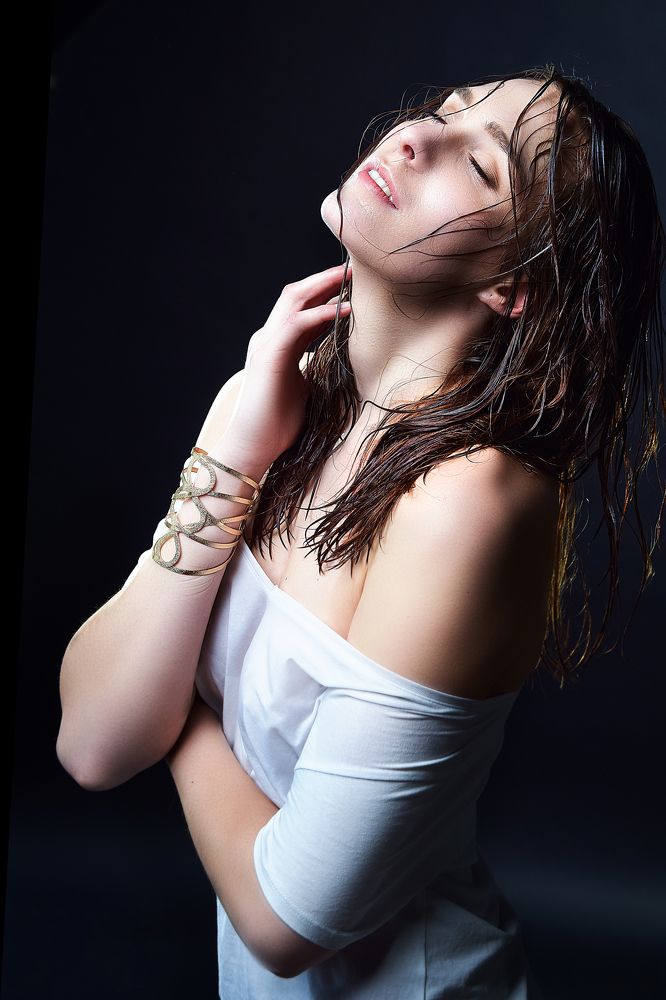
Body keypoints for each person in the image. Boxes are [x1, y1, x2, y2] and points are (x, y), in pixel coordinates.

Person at [57, 62, 665, 998]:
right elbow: (94, 743)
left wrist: (174, 713)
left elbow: (287, 918)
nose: (416, 137)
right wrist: (233, 448)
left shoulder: (472, 498)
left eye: (483, 166)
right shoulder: (278, 399)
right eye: (443, 113)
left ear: (515, 286)